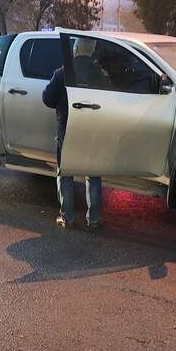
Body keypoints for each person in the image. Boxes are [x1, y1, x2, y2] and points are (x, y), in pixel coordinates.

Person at [42, 38, 109, 229]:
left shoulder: (62, 73)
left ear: (76, 49)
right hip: (93, 132)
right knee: (93, 175)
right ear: (92, 51)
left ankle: (67, 217)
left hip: (68, 132)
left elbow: (47, 99)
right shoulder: (101, 75)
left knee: (65, 175)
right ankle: (94, 218)